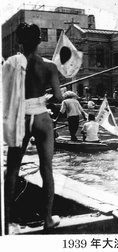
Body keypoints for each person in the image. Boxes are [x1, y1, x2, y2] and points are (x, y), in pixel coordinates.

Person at [3, 22, 63, 233]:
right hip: (41, 118)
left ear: (20, 41)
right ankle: (47, 219)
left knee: (12, 171)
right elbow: (57, 98)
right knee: (47, 169)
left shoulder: (10, 64)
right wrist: (45, 95)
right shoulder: (49, 66)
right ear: (39, 41)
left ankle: (7, 223)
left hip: (20, 118)